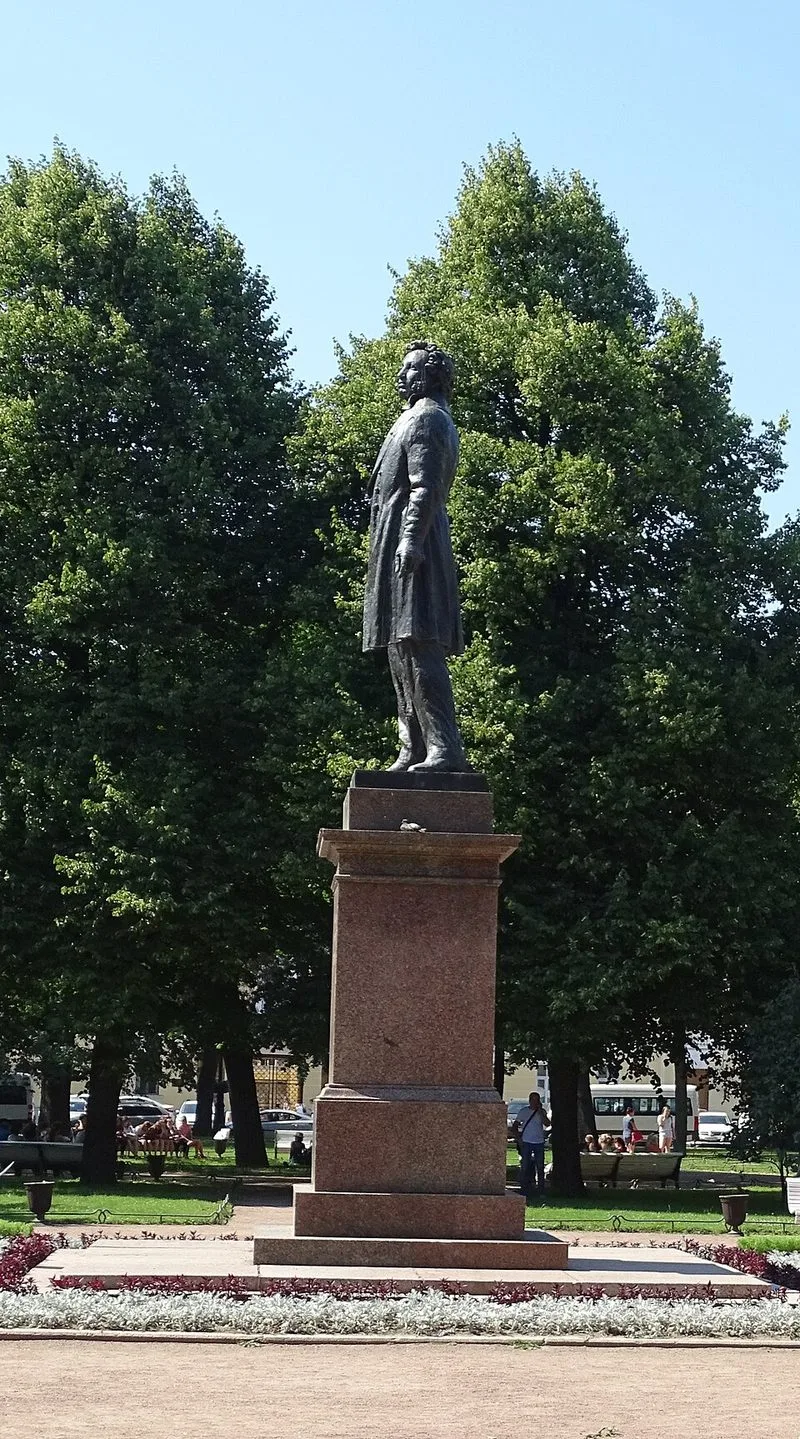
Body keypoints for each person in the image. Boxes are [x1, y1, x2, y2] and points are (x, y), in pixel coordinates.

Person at [363, 341, 467, 772]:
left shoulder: (428, 418)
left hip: (415, 544)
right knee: (398, 647)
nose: (400, 376)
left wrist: (410, 540)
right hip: (396, 543)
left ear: (429, 376)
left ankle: (443, 748)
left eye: (409, 369)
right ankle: (413, 746)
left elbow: (424, 487)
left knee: (419, 642)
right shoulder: (411, 418)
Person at [511, 1091, 549, 1200]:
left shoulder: (541, 1112)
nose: (534, 1102)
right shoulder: (523, 1112)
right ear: (529, 1100)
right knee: (525, 1166)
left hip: (539, 1142)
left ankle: (541, 1190)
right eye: (533, 1100)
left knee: (540, 1166)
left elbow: (547, 1124)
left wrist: (541, 1112)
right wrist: (519, 1139)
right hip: (527, 1142)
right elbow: (515, 1126)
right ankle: (524, 1189)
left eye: (537, 1100)